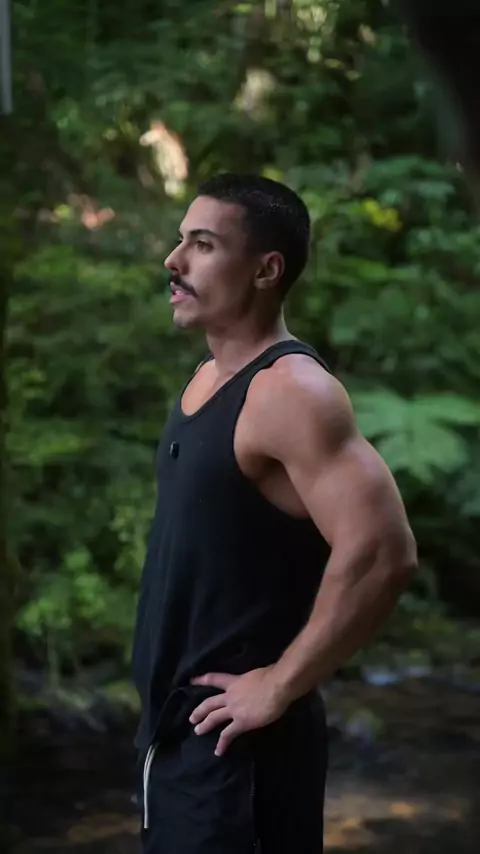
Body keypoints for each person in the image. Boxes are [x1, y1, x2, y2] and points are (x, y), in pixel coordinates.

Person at [131, 173, 417, 854]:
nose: (174, 261)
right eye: (181, 240)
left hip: (244, 755)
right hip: (181, 739)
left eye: (203, 245)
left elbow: (383, 553)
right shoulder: (207, 379)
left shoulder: (292, 392)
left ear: (266, 270)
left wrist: (280, 684)